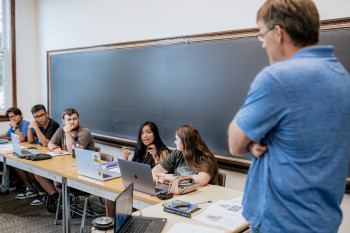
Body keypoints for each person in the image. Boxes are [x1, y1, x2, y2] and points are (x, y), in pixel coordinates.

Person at [227, 1, 350, 232]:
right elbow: (302, 137)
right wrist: (258, 141)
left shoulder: (277, 78)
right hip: (322, 220)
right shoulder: (341, 76)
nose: (263, 45)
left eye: (262, 35)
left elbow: (235, 144)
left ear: (279, 33)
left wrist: (249, 140)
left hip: (281, 223)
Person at [35, 108, 95, 213]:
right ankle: (57, 197)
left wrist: (67, 132)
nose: (72, 122)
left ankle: (62, 203)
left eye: (75, 119)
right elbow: (50, 143)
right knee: (38, 173)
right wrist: (55, 148)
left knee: (57, 176)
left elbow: (73, 153)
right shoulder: (61, 129)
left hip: (84, 171)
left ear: (78, 119)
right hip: (68, 166)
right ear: (63, 121)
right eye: (69, 120)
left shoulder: (84, 132)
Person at [105, 121, 170, 217]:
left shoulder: (163, 151)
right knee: (109, 196)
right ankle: (110, 227)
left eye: (148, 132)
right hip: (138, 186)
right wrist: (126, 158)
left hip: (152, 189)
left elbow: (163, 176)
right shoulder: (141, 149)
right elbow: (132, 171)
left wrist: (156, 157)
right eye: (142, 133)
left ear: (155, 134)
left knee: (127, 202)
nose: (144, 136)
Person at [15, 104, 60, 205]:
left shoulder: (53, 124)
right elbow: (31, 141)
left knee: (35, 170)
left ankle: (48, 194)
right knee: (28, 167)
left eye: (42, 115)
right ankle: (42, 192)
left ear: (47, 114)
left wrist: (36, 127)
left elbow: (45, 143)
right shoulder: (38, 125)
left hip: (56, 158)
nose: (40, 118)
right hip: (45, 155)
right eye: (37, 117)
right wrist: (30, 128)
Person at [152, 124, 218, 187]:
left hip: (203, 195)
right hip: (184, 192)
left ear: (186, 142)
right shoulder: (178, 153)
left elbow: (201, 180)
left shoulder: (205, 158)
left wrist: (174, 178)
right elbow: (159, 168)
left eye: (177, 139)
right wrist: (155, 175)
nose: (174, 142)